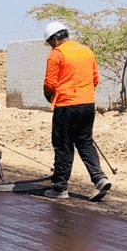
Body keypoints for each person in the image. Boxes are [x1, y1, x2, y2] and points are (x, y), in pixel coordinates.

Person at [42, 19, 110, 201]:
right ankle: (99, 178)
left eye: (50, 42)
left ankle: (60, 187)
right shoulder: (86, 51)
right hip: (88, 105)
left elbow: (50, 83)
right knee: (85, 142)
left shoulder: (57, 54)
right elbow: (95, 79)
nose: (50, 46)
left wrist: (50, 95)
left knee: (63, 145)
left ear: (54, 39)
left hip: (66, 106)